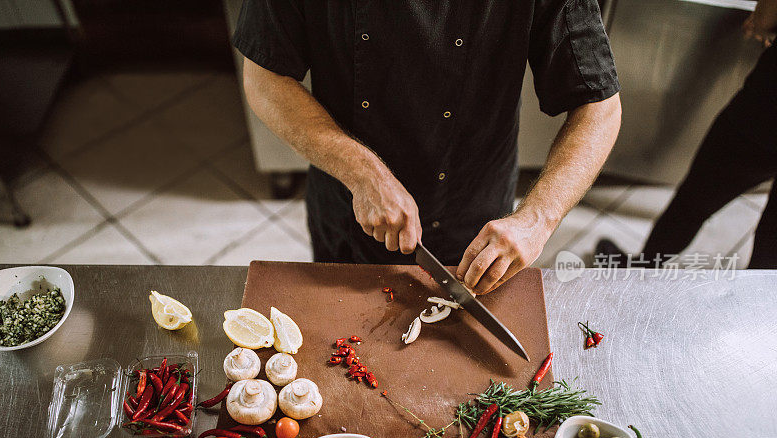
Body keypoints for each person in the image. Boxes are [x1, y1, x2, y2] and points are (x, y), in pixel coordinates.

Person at [235, 1, 621, 293]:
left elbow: (599, 106)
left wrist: (535, 220)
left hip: (476, 217)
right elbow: (263, 78)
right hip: (350, 210)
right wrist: (362, 171)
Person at [597, 0, 777, 269]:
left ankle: (643, 270)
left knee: (692, 204)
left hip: (764, 118)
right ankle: (749, 307)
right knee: (772, 246)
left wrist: (763, 21)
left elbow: (766, 19)